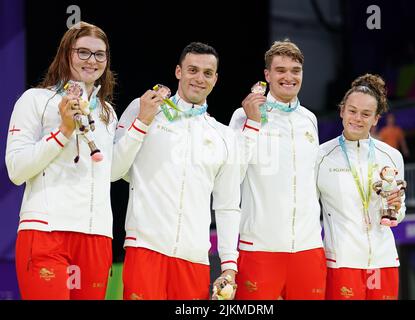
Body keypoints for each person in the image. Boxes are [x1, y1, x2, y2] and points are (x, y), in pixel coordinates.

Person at [113, 42, 241, 300]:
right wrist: (141, 122)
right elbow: (113, 171)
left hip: (194, 259)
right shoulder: (145, 109)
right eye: (192, 69)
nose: (199, 78)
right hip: (145, 249)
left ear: (215, 79)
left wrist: (229, 266)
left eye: (207, 73)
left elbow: (227, 206)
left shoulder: (225, 136)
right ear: (178, 72)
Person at [6, 21, 119, 299]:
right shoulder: (35, 100)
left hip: (96, 235)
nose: (92, 61)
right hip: (46, 230)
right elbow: (17, 170)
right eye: (83, 52)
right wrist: (64, 131)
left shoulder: (107, 114)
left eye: (99, 54)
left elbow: (111, 172)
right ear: (66, 53)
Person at [228, 39, 326, 300]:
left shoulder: (309, 119)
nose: (289, 77)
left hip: (309, 248)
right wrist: (252, 123)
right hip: (260, 249)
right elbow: (230, 175)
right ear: (267, 75)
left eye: (295, 70)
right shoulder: (243, 115)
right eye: (281, 70)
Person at [316, 73, 406, 300]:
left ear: (376, 119)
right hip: (342, 262)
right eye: (352, 111)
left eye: (366, 114)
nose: (357, 118)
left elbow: (400, 210)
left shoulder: (392, 156)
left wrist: (397, 209)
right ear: (342, 111)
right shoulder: (321, 156)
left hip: (384, 261)